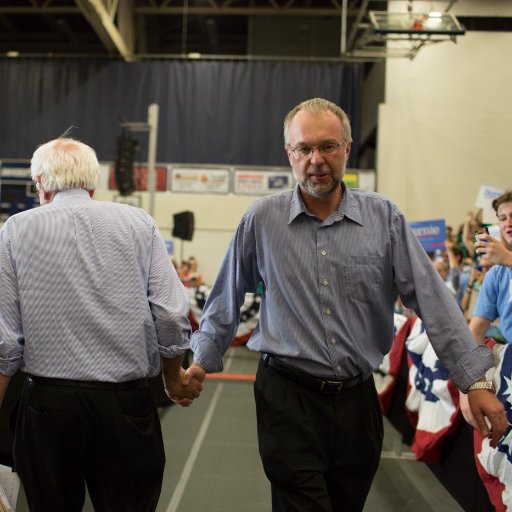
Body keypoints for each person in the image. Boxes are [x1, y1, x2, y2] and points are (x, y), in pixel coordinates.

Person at [185, 98, 507, 511]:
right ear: (289, 155)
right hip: (287, 400)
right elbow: (224, 299)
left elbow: (434, 300)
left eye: (328, 146)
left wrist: (475, 382)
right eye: (304, 149)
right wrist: (199, 362)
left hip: (358, 401)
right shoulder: (261, 220)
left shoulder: (384, 219)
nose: (316, 160)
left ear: (347, 149)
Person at [0, 138, 202, 512]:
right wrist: (173, 379)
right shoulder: (138, 223)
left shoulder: (15, 230)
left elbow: (4, 342)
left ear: (41, 185)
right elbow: (172, 314)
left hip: (47, 408)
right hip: (124, 407)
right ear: (93, 185)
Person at [460, 190, 512, 427]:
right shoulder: (496, 274)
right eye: (502, 218)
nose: (508, 223)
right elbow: (475, 332)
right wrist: (470, 385)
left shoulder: (503, 264)